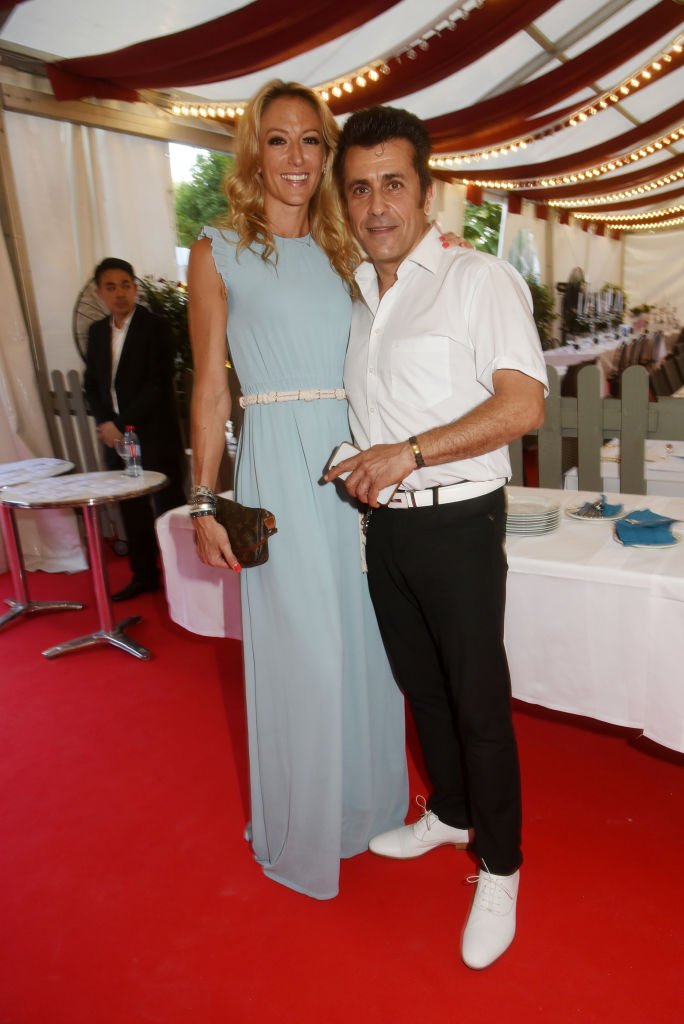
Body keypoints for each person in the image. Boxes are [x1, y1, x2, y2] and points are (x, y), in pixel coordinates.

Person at [327, 105, 548, 968]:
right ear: (345, 202)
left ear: (425, 189)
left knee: (478, 703)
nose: (377, 204)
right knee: (422, 689)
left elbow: (521, 405)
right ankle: (450, 813)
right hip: (386, 529)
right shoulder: (360, 296)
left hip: (459, 521)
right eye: (360, 189)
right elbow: (376, 414)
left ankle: (501, 866)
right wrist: (361, 459)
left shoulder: (476, 279)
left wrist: (408, 452)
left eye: (392, 184)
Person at [185, 80, 408, 900]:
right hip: (277, 462)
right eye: (278, 140)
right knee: (302, 653)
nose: (297, 158)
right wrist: (205, 501)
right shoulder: (216, 248)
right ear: (254, 150)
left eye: (312, 141)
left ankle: (365, 814)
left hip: (352, 468)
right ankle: (300, 829)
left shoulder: (349, 244)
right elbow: (210, 385)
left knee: (366, 645)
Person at [84, 257, 186, 601]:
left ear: (135, 288)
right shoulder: (97, 332)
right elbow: (91, 385)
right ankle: (144, 576)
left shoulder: (155, 327)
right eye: (110, 287)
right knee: (131, 509)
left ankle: (183, 578)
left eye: (126, 285)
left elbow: (157, 384)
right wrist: (105, 424)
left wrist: (121, 424)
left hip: (154, 432)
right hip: (116, 439)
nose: (120, 293)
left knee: (169, 505)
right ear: (99, 292)